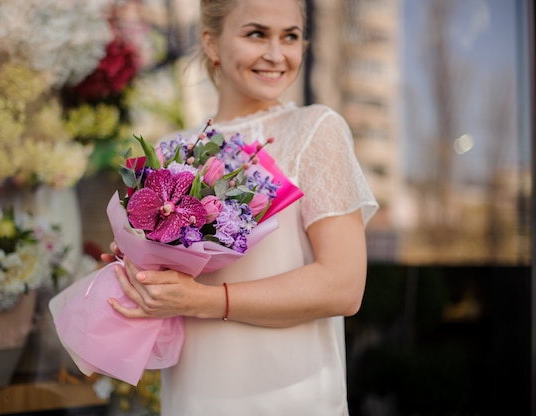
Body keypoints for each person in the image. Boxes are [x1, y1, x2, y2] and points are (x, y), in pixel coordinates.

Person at [105, 0, 378, 414]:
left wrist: (205, 301)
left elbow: (343, 286)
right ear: (211, 43)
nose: (276, 54)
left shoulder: (316, 129)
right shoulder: (169, 151)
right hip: (195, 392)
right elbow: (161, 300)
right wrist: (135, 280)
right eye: (256, 34)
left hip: (293, 395)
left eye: (290, 36)